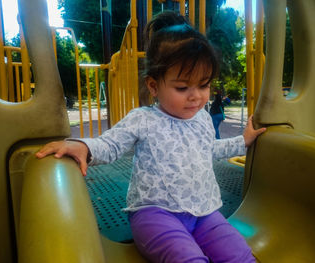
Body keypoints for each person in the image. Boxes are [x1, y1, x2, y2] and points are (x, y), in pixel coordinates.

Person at [36, 11, 265, 263]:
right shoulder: (143, 119)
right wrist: (82, 146)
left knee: (240, 255)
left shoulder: (201, 118)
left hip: (204, 211)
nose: (196, 96)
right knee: (188, 258)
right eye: (182, 87)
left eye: (204, 85)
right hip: (155, 214)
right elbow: (111, 145)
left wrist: (242, 141)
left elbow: (208, 149)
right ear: (154, 86)